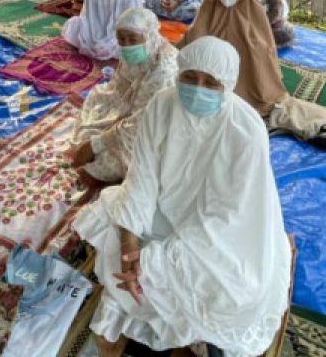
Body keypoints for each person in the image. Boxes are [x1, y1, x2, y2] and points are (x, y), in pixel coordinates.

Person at [73, 36, 293, 357]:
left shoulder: (246, 129)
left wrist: (155, 261)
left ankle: (195, 330)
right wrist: (130, 249)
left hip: (225, 235)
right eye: (190, 78)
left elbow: (228, 216)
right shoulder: (162, 106)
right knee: (112, 228)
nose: (198, 88)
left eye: (210, 82)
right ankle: (179, 318)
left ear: (228, 85)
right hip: (166, 212)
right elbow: (141, 179)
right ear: (179, 74)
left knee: (236, 289)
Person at [180, 0, 326, 138]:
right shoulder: (210, 3)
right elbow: (195, 35)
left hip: (246, 72)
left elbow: (263, 45)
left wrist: (245, 47)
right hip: (210, 69)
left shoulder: (252, 7)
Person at [68, 8, 178, 182]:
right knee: (96, 100)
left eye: (133, 39)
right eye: (121, 40)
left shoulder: (163, 70)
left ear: (148, 35)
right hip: (132, 108)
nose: (127, 46)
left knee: (104, 162)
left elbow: (143, 122)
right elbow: (118, 86)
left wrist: (96, 144)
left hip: (153, 126)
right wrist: (110, 120)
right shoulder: (138, 50)